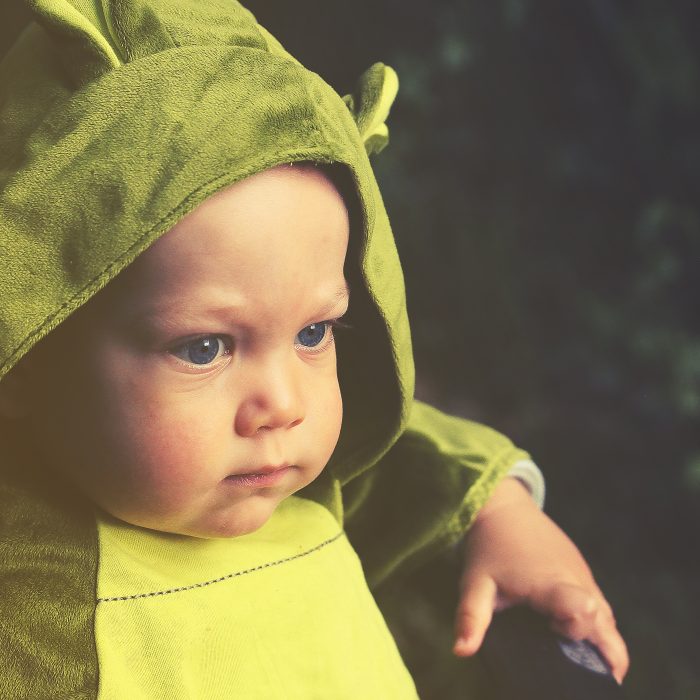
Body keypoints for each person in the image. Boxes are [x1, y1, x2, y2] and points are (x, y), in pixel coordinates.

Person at [0, 0, 628, 697]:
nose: (284, 405)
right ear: (28, 346)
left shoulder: (292, 479)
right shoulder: (27, 595)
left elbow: (400, 450)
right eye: (205, 347)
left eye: (313, 334)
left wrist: (503, 513)